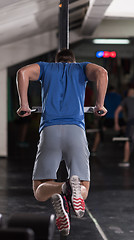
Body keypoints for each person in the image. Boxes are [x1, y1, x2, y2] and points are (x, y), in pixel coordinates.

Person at [16, 49, 108, 236]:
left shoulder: (46, 68)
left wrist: (24, 104)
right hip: (75, 131)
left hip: (50, 132)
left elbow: (22, 73)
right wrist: (100, 104)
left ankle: (63, 187)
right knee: (83, 188)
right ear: (73, 61)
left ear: (56, 61)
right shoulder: (80, 68)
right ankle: (71, 189)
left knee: (39, 190)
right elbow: (102, 73)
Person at [91, 86, 125, 155]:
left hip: (108, 118)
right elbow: (123, 108)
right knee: (128, 130)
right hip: (119, 118)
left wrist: (97, 119)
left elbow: (100, 108)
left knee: (100, 131)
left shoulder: (105, 97)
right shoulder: (119, 96)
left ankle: (94, 149)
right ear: (115, 90)